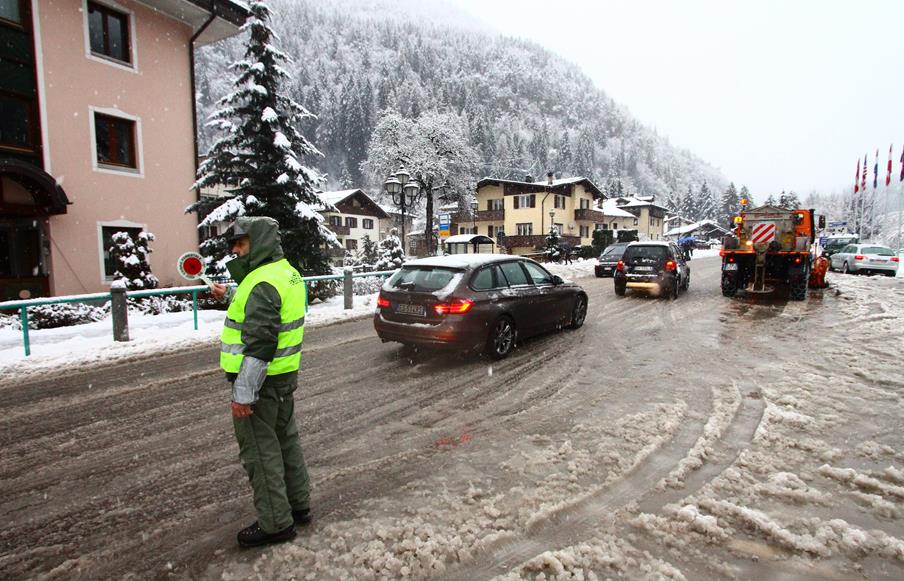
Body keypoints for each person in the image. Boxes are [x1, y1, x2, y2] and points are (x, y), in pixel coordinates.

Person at [210, 216, 311, 548]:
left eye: (241, 243)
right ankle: (298, 506)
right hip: (283, 378)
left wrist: (243, 393)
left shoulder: (261, 283)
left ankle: (275, 523)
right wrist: (231, 295)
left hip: (260, 384)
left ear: (260, 241)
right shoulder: (288, 274)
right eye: (233, 245)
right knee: (286, 443)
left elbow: (261, 343)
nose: (235, 250)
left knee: (260, 452)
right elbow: (267, 305)